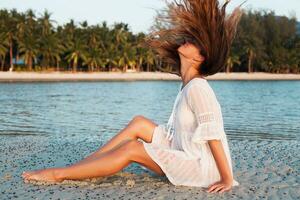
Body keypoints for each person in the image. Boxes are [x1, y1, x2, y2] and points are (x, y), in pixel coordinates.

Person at [22, 0, 244, 194]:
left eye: (194, 41)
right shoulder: (187, 85)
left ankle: (59, 174)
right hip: (184, 149)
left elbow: (213, 133)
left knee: (132, 149)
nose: (187, 39)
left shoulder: (197, 87)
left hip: (202, 168)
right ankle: (86, 164)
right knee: (139, 123)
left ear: (201, 56)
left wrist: (225, 177)